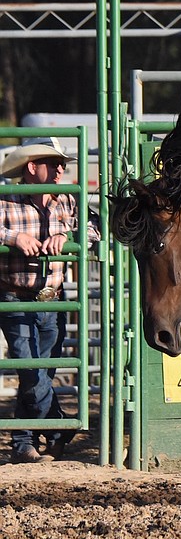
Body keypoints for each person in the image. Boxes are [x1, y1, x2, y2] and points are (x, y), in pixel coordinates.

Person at [0, 137, 100, 464]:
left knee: (38, 374)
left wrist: (67, 237)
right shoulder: (5, 199)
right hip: (16, 298)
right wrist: (14, 237)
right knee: (32, 371)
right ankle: (59, 430)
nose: (61, 168)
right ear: (32, 167)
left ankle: (23, 444)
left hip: (53, 300)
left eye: (62, 163)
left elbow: (94, 228)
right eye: (53, 162)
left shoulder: (68, 201)